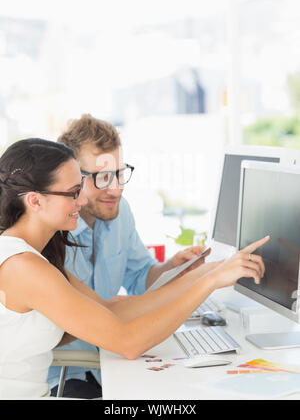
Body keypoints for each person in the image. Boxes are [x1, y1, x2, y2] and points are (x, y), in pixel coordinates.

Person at [0, 137, 268, 399]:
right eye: (73, 193)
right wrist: (208, 283)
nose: (81, 201)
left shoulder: (39, 255)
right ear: (35, 201)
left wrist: (209, 271)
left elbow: (110, 311)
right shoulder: (23, 266)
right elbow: (128, 343)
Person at [48, 114, 213, 396]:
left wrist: (171, 268)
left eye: (119, 173)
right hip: (68, 372)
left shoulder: (119, 213)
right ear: (73, 178)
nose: (115, 188)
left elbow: (140, 277)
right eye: (102, 177)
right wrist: (212, 279)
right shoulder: (51, 235)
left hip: (113, 361)